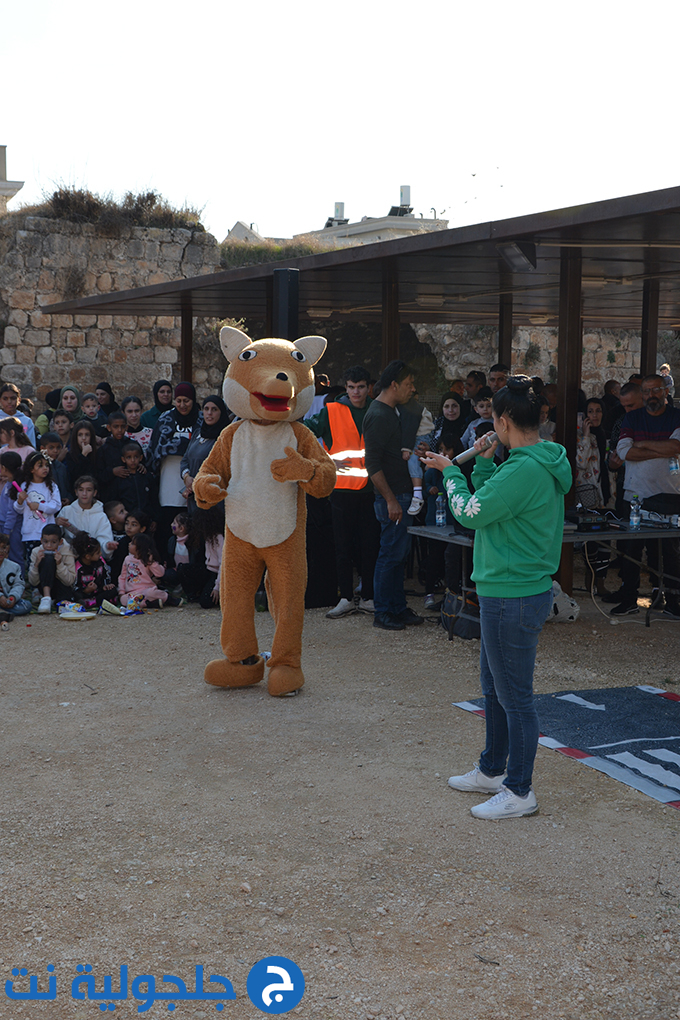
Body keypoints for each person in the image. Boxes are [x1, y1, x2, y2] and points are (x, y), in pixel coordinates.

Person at [423, 375, 571, 819]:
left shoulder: (525, 468)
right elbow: (492, 506)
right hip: (506, 590)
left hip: (514, 593)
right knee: (494, 687)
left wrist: (451, 472)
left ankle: (520, 790)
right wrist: (483, 464)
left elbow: (470, 512)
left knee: (516, 697)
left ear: (503, 421)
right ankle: (492, 768)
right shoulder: (531, 461)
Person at [305, 365, 380, 618]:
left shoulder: (378, 409)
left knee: (370, 546)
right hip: (341, 491)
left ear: (368, 387)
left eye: (360, 387)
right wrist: (326, 462)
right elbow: (304, 435)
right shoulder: (331, 411)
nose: (356, 392)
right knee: (343, 547)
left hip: (373, 491)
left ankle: (368, 596)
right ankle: (346, 597)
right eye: (351, 387)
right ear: (345, 387)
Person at [363, 360, 424, 631]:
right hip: (393, 497)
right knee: (390, 555)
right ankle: (384, 612)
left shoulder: (391, 411)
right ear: (394, 385)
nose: (412, 389)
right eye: (409, 384)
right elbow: (372, 464)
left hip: (400, 495)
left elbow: (393, 452)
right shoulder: (378, 414)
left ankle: (397, 608)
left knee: (398, 555)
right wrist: (389, 499)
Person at [612, 374, 680, 617]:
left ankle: (671, 601)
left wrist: (642, 444)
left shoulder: (676, 416)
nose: (652, 395)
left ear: (665, 391)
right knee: (631, 550)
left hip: (669, 495)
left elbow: (677, 448)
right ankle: (629, 598)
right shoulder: (631, 418)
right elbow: (624, 453)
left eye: (656, 390)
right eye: (647, 391)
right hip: (636, 495)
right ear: (643, 394)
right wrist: (659, 450)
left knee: (669, 552)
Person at [150, 382, 201, 552]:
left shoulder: (201, 419)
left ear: (193, 400)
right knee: (169, 524)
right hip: (169, 479)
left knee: (192, 524)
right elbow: (156, 447)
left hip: (194, 476)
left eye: (186, 400)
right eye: (178, 400)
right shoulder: (165, 418)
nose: (182, 405)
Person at [179, 396, 230, 514]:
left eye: (214, 409)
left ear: (221, 412)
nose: (209, 413)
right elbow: (185, 459)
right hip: (194, 495)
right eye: (206, 409)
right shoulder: (198, 432)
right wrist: (187, 478)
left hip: (213, 496)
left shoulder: (225, 437)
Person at [15, 451, 62, 566]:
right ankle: (34, 584)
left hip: (48, 535)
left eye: (47, 465)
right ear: (31, 469)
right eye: (40, 466)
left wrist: (39, 506)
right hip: (30, 533)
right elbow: (19, 510)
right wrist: (20, 501)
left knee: (49, 562)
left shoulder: (51, 486)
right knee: (34, 563)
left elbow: (56, 505)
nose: (45, 468)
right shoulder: (24, 486)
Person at [56, 475, 116, 560]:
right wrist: (56, 523)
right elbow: (56, 535)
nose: (84, 494)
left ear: (94, 493)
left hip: (91, 559)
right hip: (68, 557)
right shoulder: (66, 511)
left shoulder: (101, 516)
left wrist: (107, 546)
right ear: (76, 492)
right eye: (81, 490)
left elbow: (104, 540)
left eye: (89, 490)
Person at [118, 533, 180, 608]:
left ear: (140, 548)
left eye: (133, 543)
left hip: (147, 589)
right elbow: (122, 576)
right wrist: (121, 592)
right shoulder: (127, 559)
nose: (129, 544)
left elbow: (160, 574)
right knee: (124, 600)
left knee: (151, 594)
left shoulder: (147, 560)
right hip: (133, 592)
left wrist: (152, 562)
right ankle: (149, 604)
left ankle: (167, 598)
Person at [27, 523, 76, 613]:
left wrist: (59, 564)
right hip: (43, 586)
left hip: (61, 586)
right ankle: (46, 597)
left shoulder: (68, 551)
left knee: (65, 600)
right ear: (41, 540)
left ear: (60, 542)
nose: (49, 546)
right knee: (47, 559)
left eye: (53, 542)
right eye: (45, 542)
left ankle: (53, 601)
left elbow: (70, 581)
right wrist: (37, 564)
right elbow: (33, 581)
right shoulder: (36, 551)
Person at [71, 532, 116, 608]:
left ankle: (93, 602)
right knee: (75, 595)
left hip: (99, 591)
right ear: (88, 556)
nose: (101, 554)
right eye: (98, 553)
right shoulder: (78, 567)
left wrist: (106, 585)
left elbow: (106, 574)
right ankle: (97, 602)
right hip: (85, 593)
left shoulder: (100, 561)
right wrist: (86, 590)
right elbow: (74, 586)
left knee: (113, 590)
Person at [110, 442, 156, 514]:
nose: (132, 460)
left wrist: (155, 519)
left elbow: (154, 498)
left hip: (146, 515)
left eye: (136, 457)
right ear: (123, 459)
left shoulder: (146, 476)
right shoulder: (120, 478)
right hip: (127, 516)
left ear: (140, 458)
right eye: (129, 457)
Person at [96, 411, 132, 503]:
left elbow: (141, 462)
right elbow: (98, 474)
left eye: (122, 427)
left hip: (131, 492)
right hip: (111, 494)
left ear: (126, 427)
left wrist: (140, 467)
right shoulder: (103, 450)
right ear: (109, 428)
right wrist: (112, 472)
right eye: (116, 427)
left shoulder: (132, 445)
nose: (119, 430)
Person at [0, 451, 25, 572]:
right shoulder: (9, 483)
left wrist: (6, 531)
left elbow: (12, 512)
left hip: (13, 527)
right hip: (6, 524)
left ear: (3, 467)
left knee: (15, 555)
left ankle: (18, 581)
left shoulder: (14, 486)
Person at [0, 532, 31, 627]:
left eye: (4, 547)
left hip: (7, 600)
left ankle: (3, 612)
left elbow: (19, 584)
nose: (1, 551)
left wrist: (13, 597)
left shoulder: (14, 566)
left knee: (26, 606)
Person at [65, 421, 100, 493]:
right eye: (80, 435)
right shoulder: (70, 455)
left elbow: (98, 475)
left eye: (87, 435)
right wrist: (83, 455)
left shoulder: (98, 453)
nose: (83, 438)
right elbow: (75, 475)